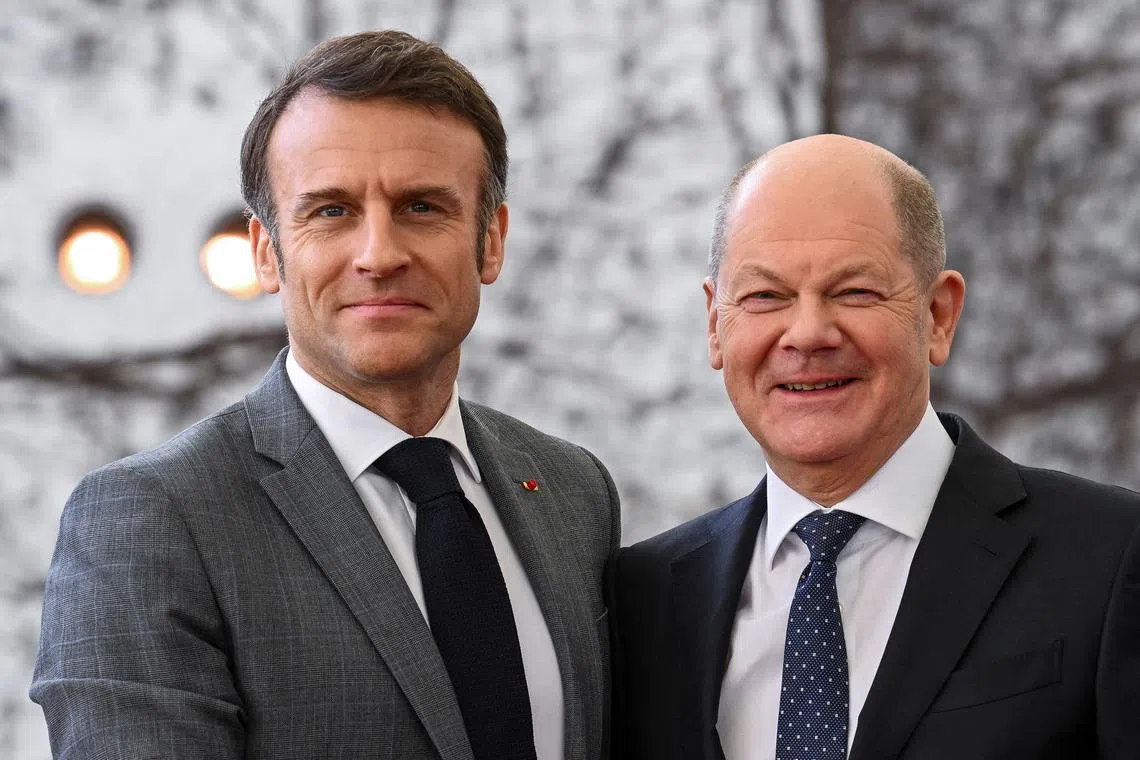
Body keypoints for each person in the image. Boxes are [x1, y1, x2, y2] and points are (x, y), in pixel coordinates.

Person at [31, 30, 619, 760]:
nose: (379, 255)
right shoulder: (152, 520)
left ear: (490, 240)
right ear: (266, 253)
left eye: (422, 207)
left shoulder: (571, 491)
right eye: (331, 211)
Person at [609, 134, 1140, 760]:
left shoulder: (1111, 556)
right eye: (765, 296)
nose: (807, 333)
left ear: (938, 315)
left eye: (855, 291)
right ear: (714, 324)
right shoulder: (640, 600)